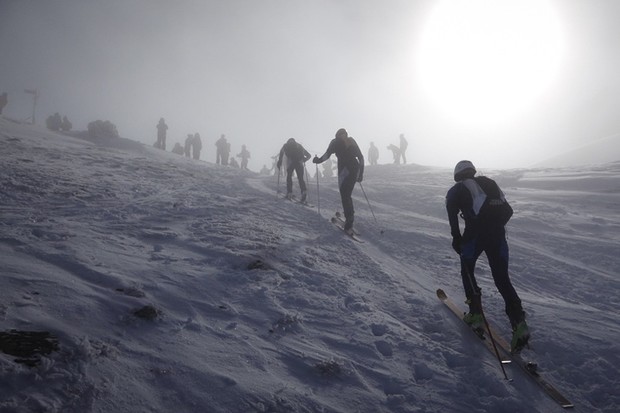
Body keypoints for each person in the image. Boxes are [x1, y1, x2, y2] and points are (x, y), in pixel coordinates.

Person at [445, 160, 529, 352]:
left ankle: (475, 313)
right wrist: (495, 226)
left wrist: (457, 238)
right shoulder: (490, 184)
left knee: (467, 270)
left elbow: (452, 214)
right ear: (472, 171)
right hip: (498, 236)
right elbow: (508, 211)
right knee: (502, 278)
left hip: (475, 235)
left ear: (458, 174)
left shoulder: (457, 189)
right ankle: (519, 323)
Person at [313, 128, 364, 234]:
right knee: (347, 194)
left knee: (344, 194)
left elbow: (327, 155)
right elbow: (360, 157)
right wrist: (361, 173)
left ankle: (349, 219)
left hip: (343, 170)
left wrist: (318, 161)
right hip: (354, 168)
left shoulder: (334, 142)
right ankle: (350, 218)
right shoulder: (351, 140)